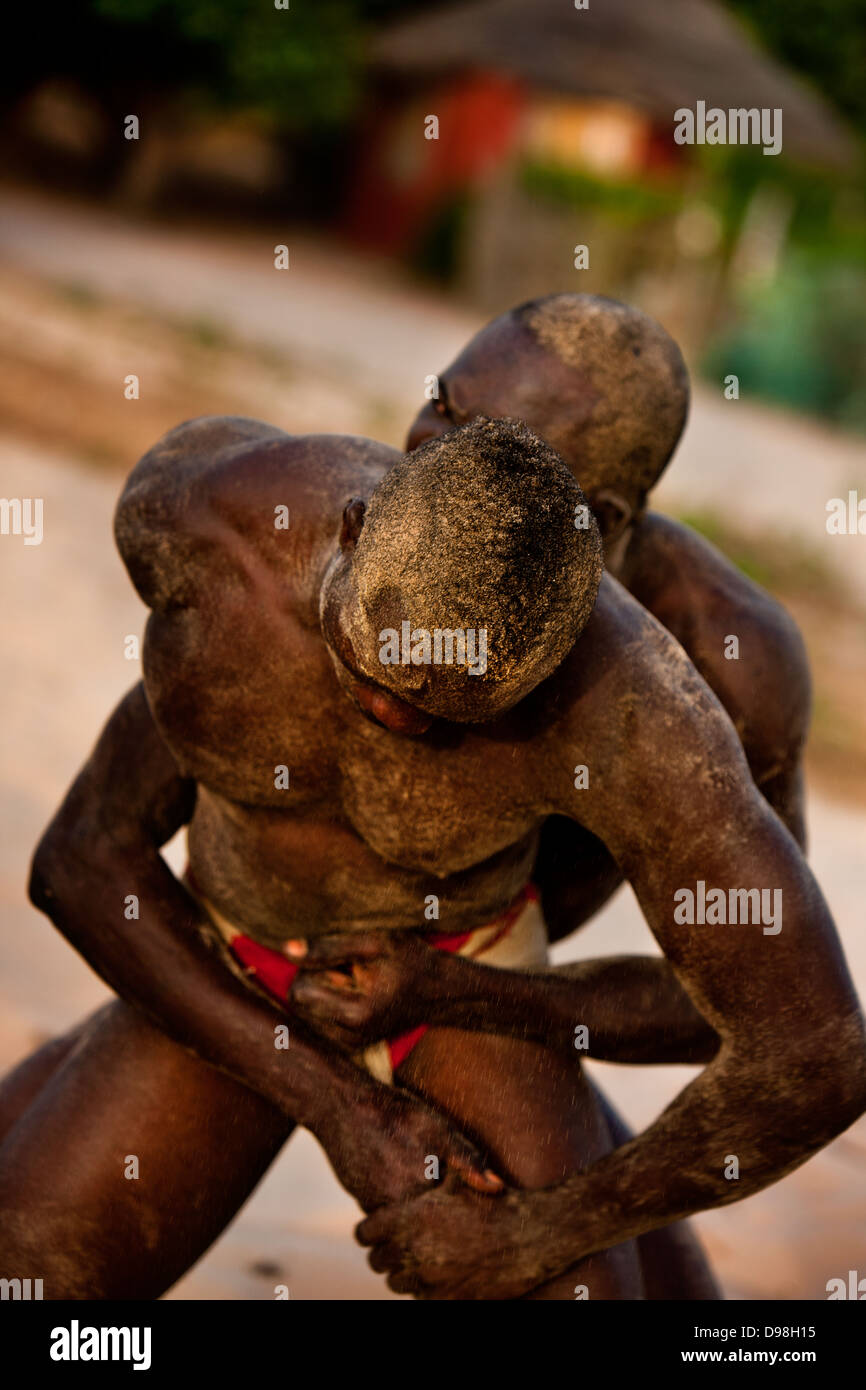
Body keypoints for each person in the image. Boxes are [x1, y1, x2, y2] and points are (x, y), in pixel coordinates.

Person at [4, 415, 863, 1300]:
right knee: (29, 1279)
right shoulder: (206, 525)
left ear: (549, 666)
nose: (391, 716)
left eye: (437, 707)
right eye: (368, 665)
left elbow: (814, 1056)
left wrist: (540, 1231)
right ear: (353, 525)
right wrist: (346, 1108)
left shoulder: (633, 713)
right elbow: (76, 861)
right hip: (232, 939)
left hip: (459, 957)